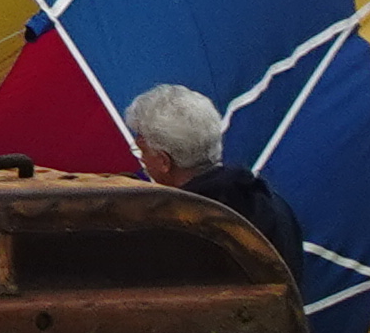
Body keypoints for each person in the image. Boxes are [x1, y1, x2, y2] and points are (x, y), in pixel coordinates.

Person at [125, 85, 307, 281]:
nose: (141, 159)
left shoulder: (169, 228)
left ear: (164, 162)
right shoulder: (272, 204)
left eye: (142, 151)